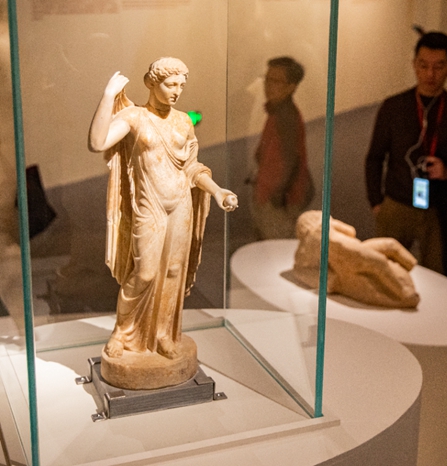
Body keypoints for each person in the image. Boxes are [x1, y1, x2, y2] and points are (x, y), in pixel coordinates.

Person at [88, 57, 238, 360]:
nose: (177, 91)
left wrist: (217, 190)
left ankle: (162, 334)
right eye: (170, 84)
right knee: (144, 273)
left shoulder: (184, 121)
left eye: (181, 85)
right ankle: (122, 331)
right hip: (150, 206)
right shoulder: (135, 117)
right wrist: (107, 96)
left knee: (172, 271)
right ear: (151, 83)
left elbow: (192, 167)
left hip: (181, 204)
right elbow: (98, 142)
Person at [364, 31, 447, 298]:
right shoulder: (394, 107)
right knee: (384, 276)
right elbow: (374, 157)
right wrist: (377, 202)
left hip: (439, 209)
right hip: (396, 203)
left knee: (438, 280)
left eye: (438, 66)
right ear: (414, 65)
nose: (430, 74)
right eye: (423, 65)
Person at [251, 56, 313, 239]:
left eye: (276, 81)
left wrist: (276, 197)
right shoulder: (277, 112)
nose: (268, 86)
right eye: (267, 79)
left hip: (279, 203)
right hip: (271, 197)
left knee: (275, 247)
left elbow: (290, 161)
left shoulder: (286, 117)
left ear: (291, 87)